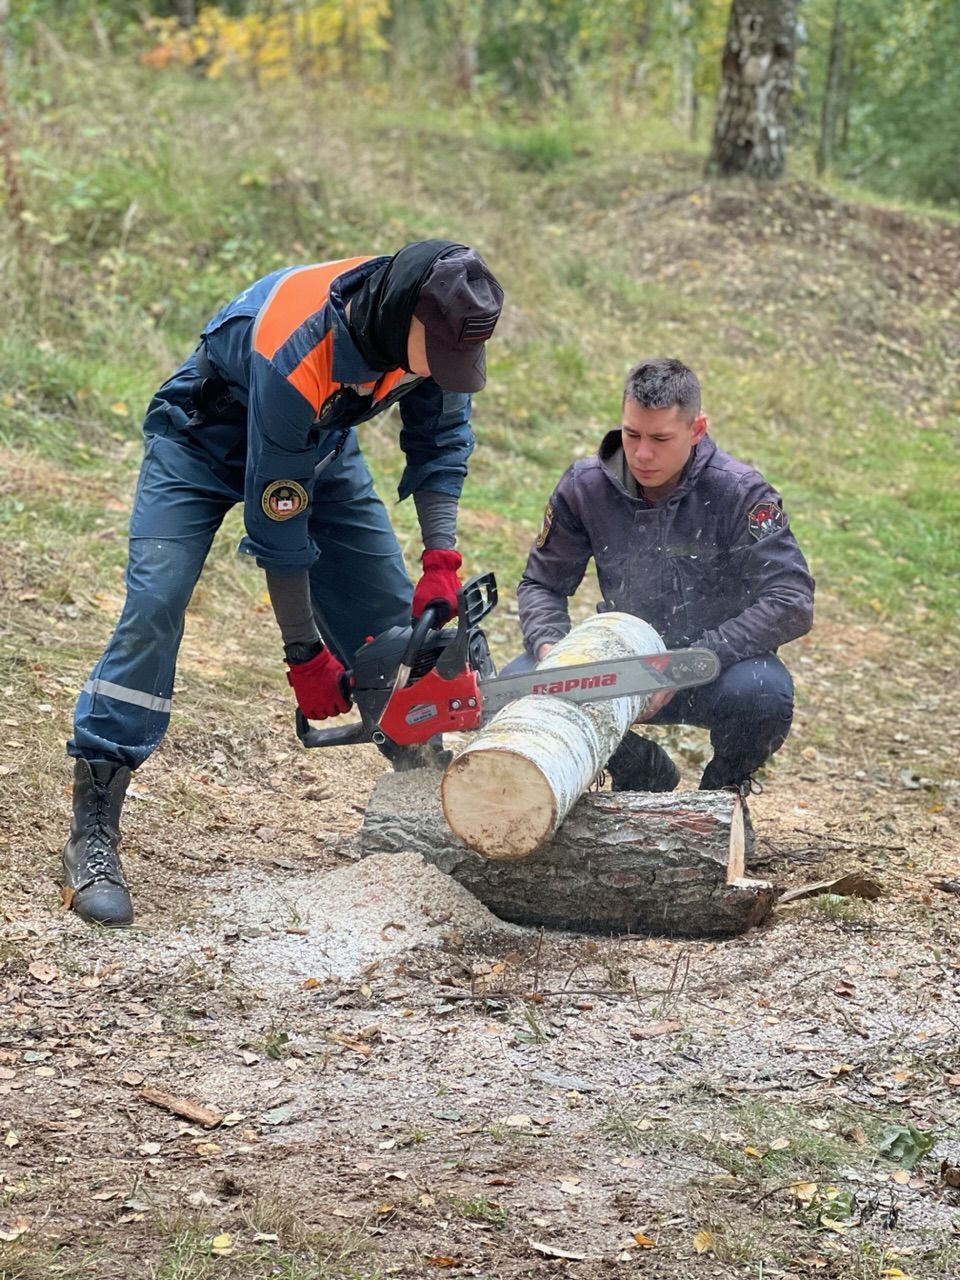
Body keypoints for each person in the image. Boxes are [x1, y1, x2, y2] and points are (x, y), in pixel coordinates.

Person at [62, 240, 504, 927]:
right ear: (402, 320)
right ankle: (92, 824)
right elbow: (279, 523)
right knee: (157, 601)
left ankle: (425, 799)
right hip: (203, 440)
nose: (448, 371)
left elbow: (441, 445)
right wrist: (303, 655)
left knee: (393, 627)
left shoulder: (436, 325)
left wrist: (439, 563)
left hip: (318, 447)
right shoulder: (301, 347)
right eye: (441, 356)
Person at [513, 357, 814, 795]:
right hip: (616, 664)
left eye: (660, 438)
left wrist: (687, 664)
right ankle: (639, 767)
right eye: (631, 435)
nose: (642, 454)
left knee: (764, 695)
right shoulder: (585, 487)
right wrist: (552, 650)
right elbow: (542, 584)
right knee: (517, 690)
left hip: (714, 665)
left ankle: (723, 798)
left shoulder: (740, 493)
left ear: (696, 430)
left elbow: (792, 599)